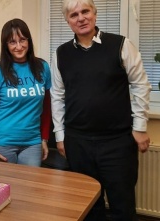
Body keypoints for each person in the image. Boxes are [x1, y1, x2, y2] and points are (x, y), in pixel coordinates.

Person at [50, 0, 152, 220]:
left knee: (122, 206)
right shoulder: (61, 53)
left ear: (94, 14)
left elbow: (141, 85)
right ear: (68, 21)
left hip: (118, 142)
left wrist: (140, 127)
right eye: (74, 14)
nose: (81, 18)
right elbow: (57, 96)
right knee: (88, 206)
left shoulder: (121, 45)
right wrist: (60, 137)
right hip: (78, 142)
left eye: (85, 11)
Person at [0, 18, 51, 167]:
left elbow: (46, 108)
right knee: (7, 189)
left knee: (30, 189)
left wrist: (44, 138)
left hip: (32, 143)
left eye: (22, 40)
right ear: (6, 45)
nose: (18, 46)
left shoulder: (43, 67)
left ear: (29, 41)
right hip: (3, 144)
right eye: (12, 42)